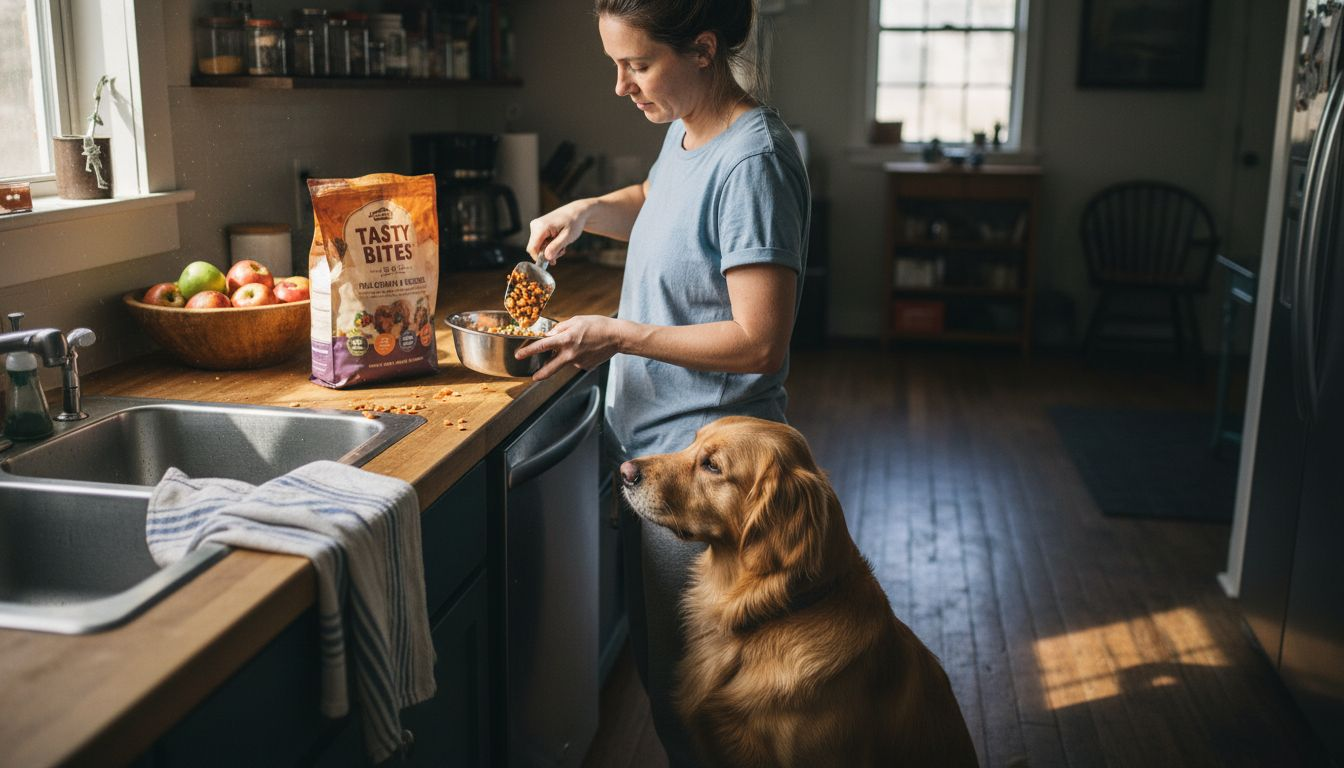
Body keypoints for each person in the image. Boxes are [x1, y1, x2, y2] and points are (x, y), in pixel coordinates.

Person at [516, 1, 810, 764]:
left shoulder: (754, 159)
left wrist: (615, 333)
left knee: (704, 716)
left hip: (708, 478)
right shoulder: (688, 136)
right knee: (668, 685)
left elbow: (758, 341)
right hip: (656, 455)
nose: (620, 86)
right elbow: (660, 202)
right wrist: (588, 211)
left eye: (637, 65)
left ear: (703, 49)